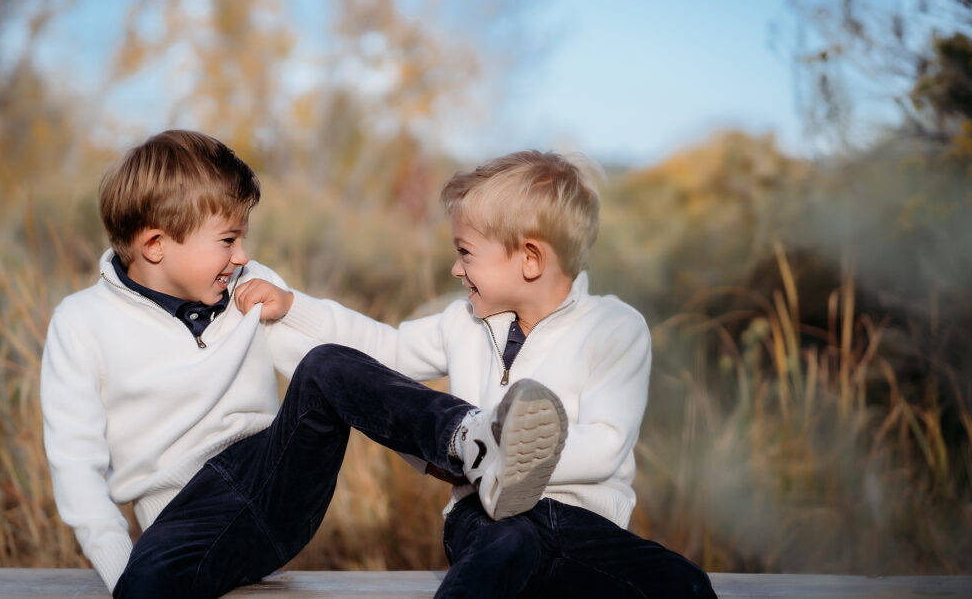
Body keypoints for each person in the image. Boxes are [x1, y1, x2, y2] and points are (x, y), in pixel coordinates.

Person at [40, 130, 568, 598]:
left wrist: (291, 307)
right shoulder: (82, 323)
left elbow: (354, 378)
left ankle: (470, 443)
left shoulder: (247, 286)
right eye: (227, 240)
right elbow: (76, 466)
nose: (242, 254)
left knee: (323, 365)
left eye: (243, 237)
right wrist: (121, 568)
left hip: (275, 479)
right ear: (155, 244)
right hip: (186, 521)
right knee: (144, 589)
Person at [235, 150, 718, 598]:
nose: (455, 268)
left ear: (530, 259)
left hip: (578, 522)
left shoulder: (615, 328)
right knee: (504, 546)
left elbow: (608, 443)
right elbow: (387, 350)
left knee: (687, 584)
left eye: (466, 252)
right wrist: (294, 308)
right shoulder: (461, 321)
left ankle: (495, 459)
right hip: (481, 516)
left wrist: (514, 461)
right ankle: (477, 447)